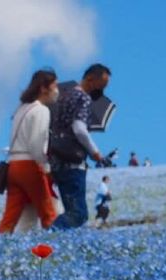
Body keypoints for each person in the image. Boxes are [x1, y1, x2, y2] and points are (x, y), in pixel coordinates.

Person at [48, 63, 110, 229]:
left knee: (71, 211)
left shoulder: (64, 96)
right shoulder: (83, 98)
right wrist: (95, 152)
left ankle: (52, 242)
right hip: (73, 162)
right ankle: (48, 237)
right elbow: (79, 129)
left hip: (57, 160)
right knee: (78, 214)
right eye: (101, 85)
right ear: (90, 79)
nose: (102, 90)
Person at [0, 68, 60, 233]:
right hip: (30, 165)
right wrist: (45, 166)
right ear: (43, 88)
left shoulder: (21, 109)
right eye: (55, 86)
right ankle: (53, 249)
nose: (57, 91)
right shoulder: (41, 110)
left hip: (13, 166)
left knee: (10, 216)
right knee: (48, 212)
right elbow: (36, 143)